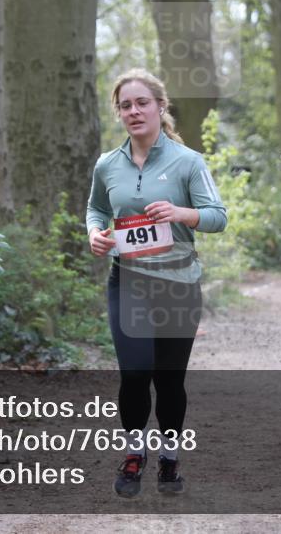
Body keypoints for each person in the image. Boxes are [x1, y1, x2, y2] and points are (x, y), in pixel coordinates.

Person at [86, 68, 228, 498]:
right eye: (125, 105)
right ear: (119, 113)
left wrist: (182, 214)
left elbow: (217, 217)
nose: (134, 111)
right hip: (128, 281)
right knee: (133, 373)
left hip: (177, 284)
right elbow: (95, 209)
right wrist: (94, 233)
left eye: (142, 102)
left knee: (168, 379)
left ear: (160, 106)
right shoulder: (108, 164)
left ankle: (169, 457)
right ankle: (134, 454)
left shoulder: (188, 161)